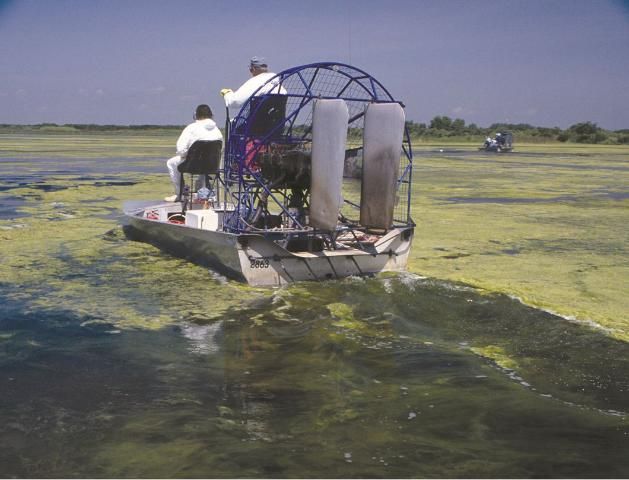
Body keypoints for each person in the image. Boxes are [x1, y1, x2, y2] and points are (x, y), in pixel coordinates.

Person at [164, 104, 223, 202]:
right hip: (212, 165)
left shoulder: (191, 128)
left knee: (171, 163)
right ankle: (208, 194)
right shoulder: (217, 131)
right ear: (211, 115)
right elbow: (220, 150)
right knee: (204, 167)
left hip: (193, 165)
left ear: (196, 115)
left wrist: (186, 156)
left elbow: (181, 149)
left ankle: (179, 194)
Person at [220, 56, 286, 116]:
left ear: (253, 69)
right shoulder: (278, 84)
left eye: (251, 70)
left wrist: (227, 93)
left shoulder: (256, 81)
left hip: (256, 126)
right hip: (276, 126)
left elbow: (235, 102)